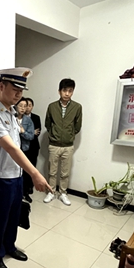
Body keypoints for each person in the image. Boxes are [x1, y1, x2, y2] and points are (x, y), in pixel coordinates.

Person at [0, 67, 52, 268]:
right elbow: (12, 148)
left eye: (22, 90)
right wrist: (35, 174)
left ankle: (9, 246)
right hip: (0, 178)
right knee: (0, 219)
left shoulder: (11, 113)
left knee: (13, 216)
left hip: (16, 175)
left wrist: (25, 173)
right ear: (1, 86)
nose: (19, 94)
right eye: (15, 89)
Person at [43, 78, 82, 206]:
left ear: (73, 92)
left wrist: (69, 135)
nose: (67, 93)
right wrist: (54, 134)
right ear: (59, 91)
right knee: (52, 171)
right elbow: (48, 124)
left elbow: (77, 126)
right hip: (54, 145)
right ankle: (51, 192)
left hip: (68, 146)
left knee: (65, 172)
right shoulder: (52, 106)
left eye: (70, 91)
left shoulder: (77, 107)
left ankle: (63, 193)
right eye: (65, 90)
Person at [23, 97, 42, 202]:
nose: (27, 108)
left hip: (34, 147)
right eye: (26, 105)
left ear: (32, 107)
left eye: (29, 105)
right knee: (23, 169)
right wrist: (30, 133)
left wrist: (26, 133)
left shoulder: (36, 117)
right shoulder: (19, 117)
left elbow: (37, 132)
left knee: (32, 167)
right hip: (23, 148)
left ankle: (30, 186)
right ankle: (23, 189)